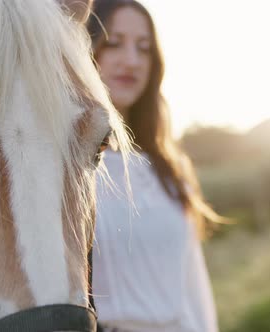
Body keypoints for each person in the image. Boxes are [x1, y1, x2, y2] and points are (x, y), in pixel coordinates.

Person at [87, 1, 220, 331]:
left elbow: (194, 289)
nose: (131, 61)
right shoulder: (69, 172)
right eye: (114, 42)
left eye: (143, 49)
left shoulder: (170, 171)